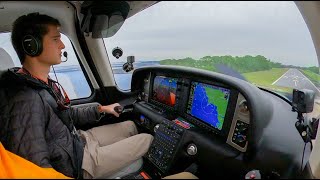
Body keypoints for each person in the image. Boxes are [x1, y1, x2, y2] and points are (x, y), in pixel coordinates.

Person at [0, 12, 153, 179]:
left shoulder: (40, 83)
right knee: (147, 139)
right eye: (55, 39)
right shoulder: (24, 99)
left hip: (77, 141)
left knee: (130, 125)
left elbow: (66, 113)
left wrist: (101, 109)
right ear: (31, 46)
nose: (62, 46)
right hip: (77, 164)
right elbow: (35, 169)